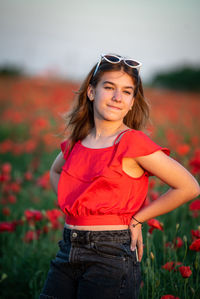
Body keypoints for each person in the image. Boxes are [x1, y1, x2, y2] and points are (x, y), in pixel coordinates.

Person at [39, 54, 200, 299]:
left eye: (126, 91)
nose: (117, 97)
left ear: (132, 102)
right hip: (68, 249)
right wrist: (73, 208)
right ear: (91, 92)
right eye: (109, 87)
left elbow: (189, 187)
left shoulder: (131, 142)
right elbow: (55, 171)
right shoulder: (77, 142)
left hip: (111, 255)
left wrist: (137, 219)